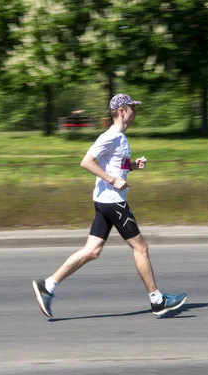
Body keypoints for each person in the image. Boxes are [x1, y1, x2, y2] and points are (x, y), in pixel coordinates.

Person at [32, 93, 187, 318]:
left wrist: (132, 166)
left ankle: (48, 285)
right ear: (122, 111)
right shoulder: (111, 136)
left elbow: (115, 164)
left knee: (92, 251)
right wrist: (112, 180)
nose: (136, 111)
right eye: (133, 107)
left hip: (105, 201)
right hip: (113, 201)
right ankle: (157, 300)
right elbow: (86, 162)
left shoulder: (120, 138)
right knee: (140, 247)